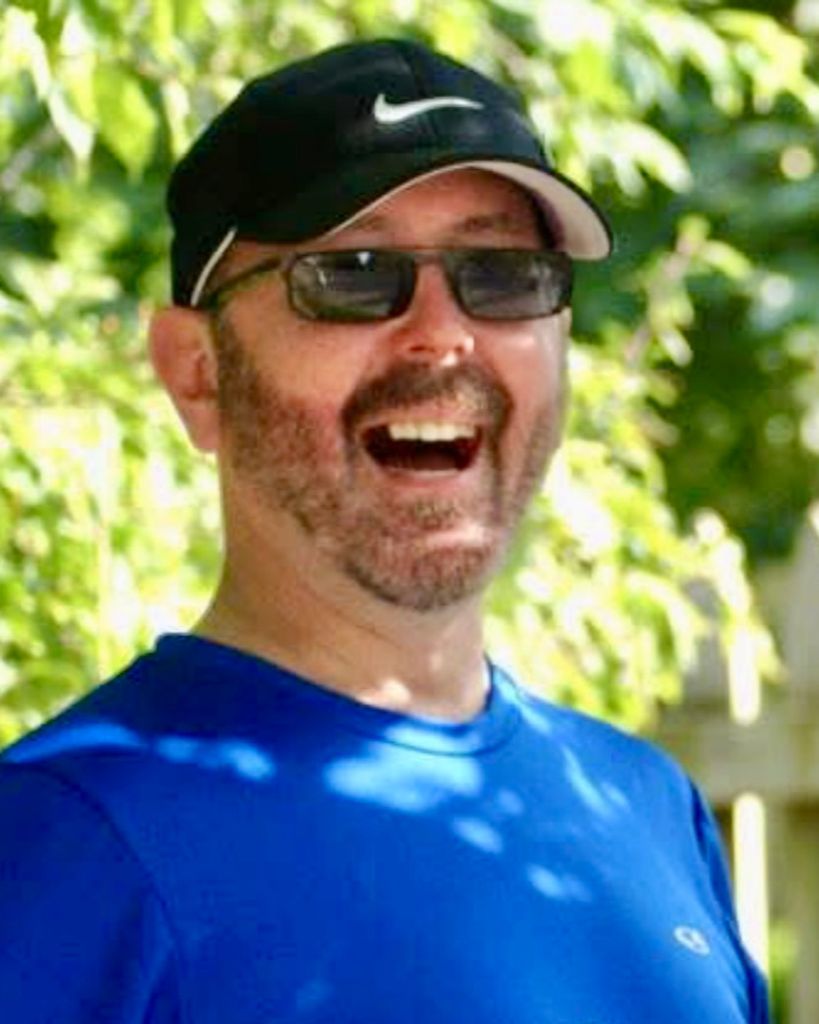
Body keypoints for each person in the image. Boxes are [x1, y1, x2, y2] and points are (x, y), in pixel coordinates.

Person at [0, 38, 768, 1024]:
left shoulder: (644, 806)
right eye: (354, 274)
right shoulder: (60, 841)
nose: (442, 335)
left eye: (502, 273)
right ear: (197, 373)